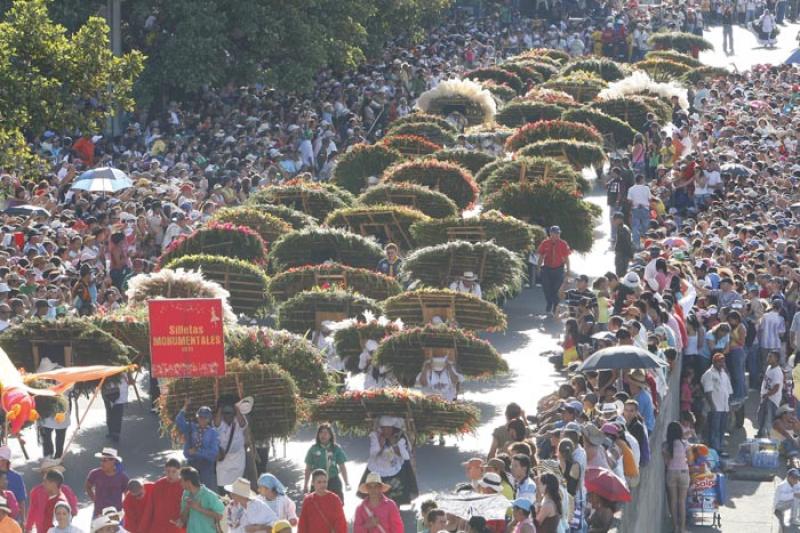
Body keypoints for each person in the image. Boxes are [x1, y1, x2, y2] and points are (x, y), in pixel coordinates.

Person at [360, 417, 417, 505]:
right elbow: (372, 454)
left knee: (395, 495)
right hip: (377, 468)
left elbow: (406, 456)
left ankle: (394, 509)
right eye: (384, 428)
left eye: (388, 428)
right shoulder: (375, 436)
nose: (386, 431)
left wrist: (394, 445)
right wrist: (381, 445)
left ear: (393, 429)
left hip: (395, 469)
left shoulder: (400, 438)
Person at [176, 401, 219, 489]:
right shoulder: (191, 428)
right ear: (197, 417)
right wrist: (185, 406)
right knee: (190, 489)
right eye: (200, 417)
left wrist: (198, 452)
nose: (202, 419)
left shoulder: (213, 433)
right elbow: (179, 420)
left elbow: (214, 452)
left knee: (205, 490)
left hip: (206, 466)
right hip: (192, 463)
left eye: (205, 418)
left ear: (209, 419)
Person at [303, 424, 350, 503]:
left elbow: (342, 466)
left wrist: (346, 483)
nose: (323, 435)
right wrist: (305, 485)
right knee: (315, 507)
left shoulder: (336, 448)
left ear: (330, 435)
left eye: (326, 433)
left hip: (333, 481)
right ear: (318, 435)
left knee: (336, 506)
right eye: (321, 432)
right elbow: (308, 468)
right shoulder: (313, 449)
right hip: (317, 482)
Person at [140, 458, 185, 533]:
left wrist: (183, 521)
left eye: (174, 471)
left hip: (177, 529)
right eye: (167, 471)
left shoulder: (185, 486)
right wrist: (142, 529)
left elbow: (191, 510)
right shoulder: (158, 484)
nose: (170, 474)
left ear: (180, 471)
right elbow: (149, 508)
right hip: (158, 528)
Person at [174, 466, 224, 533]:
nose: (180, 483)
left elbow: (220, 516)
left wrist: (199, 508)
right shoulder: (185, 494)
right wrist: (187, 508)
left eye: (181, 481)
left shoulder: (209, 495)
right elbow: (183, 519)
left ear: (188, 482)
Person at [214, 400, 249, 493]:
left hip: (238, 459)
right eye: (225, 413)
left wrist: (237, 409)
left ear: (233, 414)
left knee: (237, 486)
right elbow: (216, 424)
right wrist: (220, 408)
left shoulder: (238, 421)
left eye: (229, 413)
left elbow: (243, 424)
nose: (227, 416)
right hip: (223, 461)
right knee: (222, 486)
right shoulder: (220, 423)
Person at [701, 353, 733, 452]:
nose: (722, 363)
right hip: (714, 407)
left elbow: (729, 391)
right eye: (719, 361)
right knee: (714, 429)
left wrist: (729, 406)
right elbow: (707, 391)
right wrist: (712, 406)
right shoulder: (709, 374)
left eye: (723, 361)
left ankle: (720, 447)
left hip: (724, 407)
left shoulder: (724, 374)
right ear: (714, 362)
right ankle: (715, 449)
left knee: (722, 429)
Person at [537, 226, 571, 318]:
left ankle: (555, 305)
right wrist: (538, 268)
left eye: (558, 233)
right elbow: (541, 256)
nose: (557, 235)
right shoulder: (545, 243)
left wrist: (568, 270)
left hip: (558, 269)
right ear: (550, 234)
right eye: (555, 233)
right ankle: (549, 302)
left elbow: (567, 258)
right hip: (547, 269)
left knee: (556, 289)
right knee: (546, 288)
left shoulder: (563, 244)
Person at [663, 421, 690, 533]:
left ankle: (675, 527)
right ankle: (682, 528)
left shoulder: (665, 446)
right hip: (683, 472)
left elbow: (666, 462)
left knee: (673, 501)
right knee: (682, 501)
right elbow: (689, 458)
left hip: (671, 473)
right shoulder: (685, 444)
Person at [85, 448, 129, 517]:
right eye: (101, 460)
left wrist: (124, 506)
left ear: (114, 461)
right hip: (99, 513)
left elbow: (127, 493)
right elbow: (88, 487)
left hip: (116, 513)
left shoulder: (122, 477)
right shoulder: (94, 473)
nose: (102, 463)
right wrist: (94, 499)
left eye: (104, 460)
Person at [758, 351, 784, 437]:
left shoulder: (777, 371)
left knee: (769, 420)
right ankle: (760, 434)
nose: (768, 358)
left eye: (770, 357)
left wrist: (767, 395)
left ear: (776, 359)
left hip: (772, 399)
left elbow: (776, 388)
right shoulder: (769, 367)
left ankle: (770, 438)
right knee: (760, 416)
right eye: (768, 356)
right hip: (765, 397)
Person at [101, 373, 129, 443]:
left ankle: (116, 433)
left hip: (119, 385)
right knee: (109, 411)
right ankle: (111, 431)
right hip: (107, 385)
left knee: (118, 411)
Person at [0, 447, 25, 522]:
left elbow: (21, 500)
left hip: (13, 520)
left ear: (5, 460)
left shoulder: (17, 477)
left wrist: (23, 520)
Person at [626, 174, 650, 250]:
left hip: (635, 208)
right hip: (645, 208)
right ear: (641, 180)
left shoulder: (631, 189)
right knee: (645, 227)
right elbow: (649, 198)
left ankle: (637, 244)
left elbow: (629, 200)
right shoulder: (646, 188)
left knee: (635, 227)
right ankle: (645, 244)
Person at [612, 212, 633, 277]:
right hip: (622, 255)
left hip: (622, 256)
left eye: (615, 219)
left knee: (620, 274)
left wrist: (630, 255)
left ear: (620, 219)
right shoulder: (622, 228)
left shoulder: (622, 229)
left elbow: (627, 243)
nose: (613, 221)